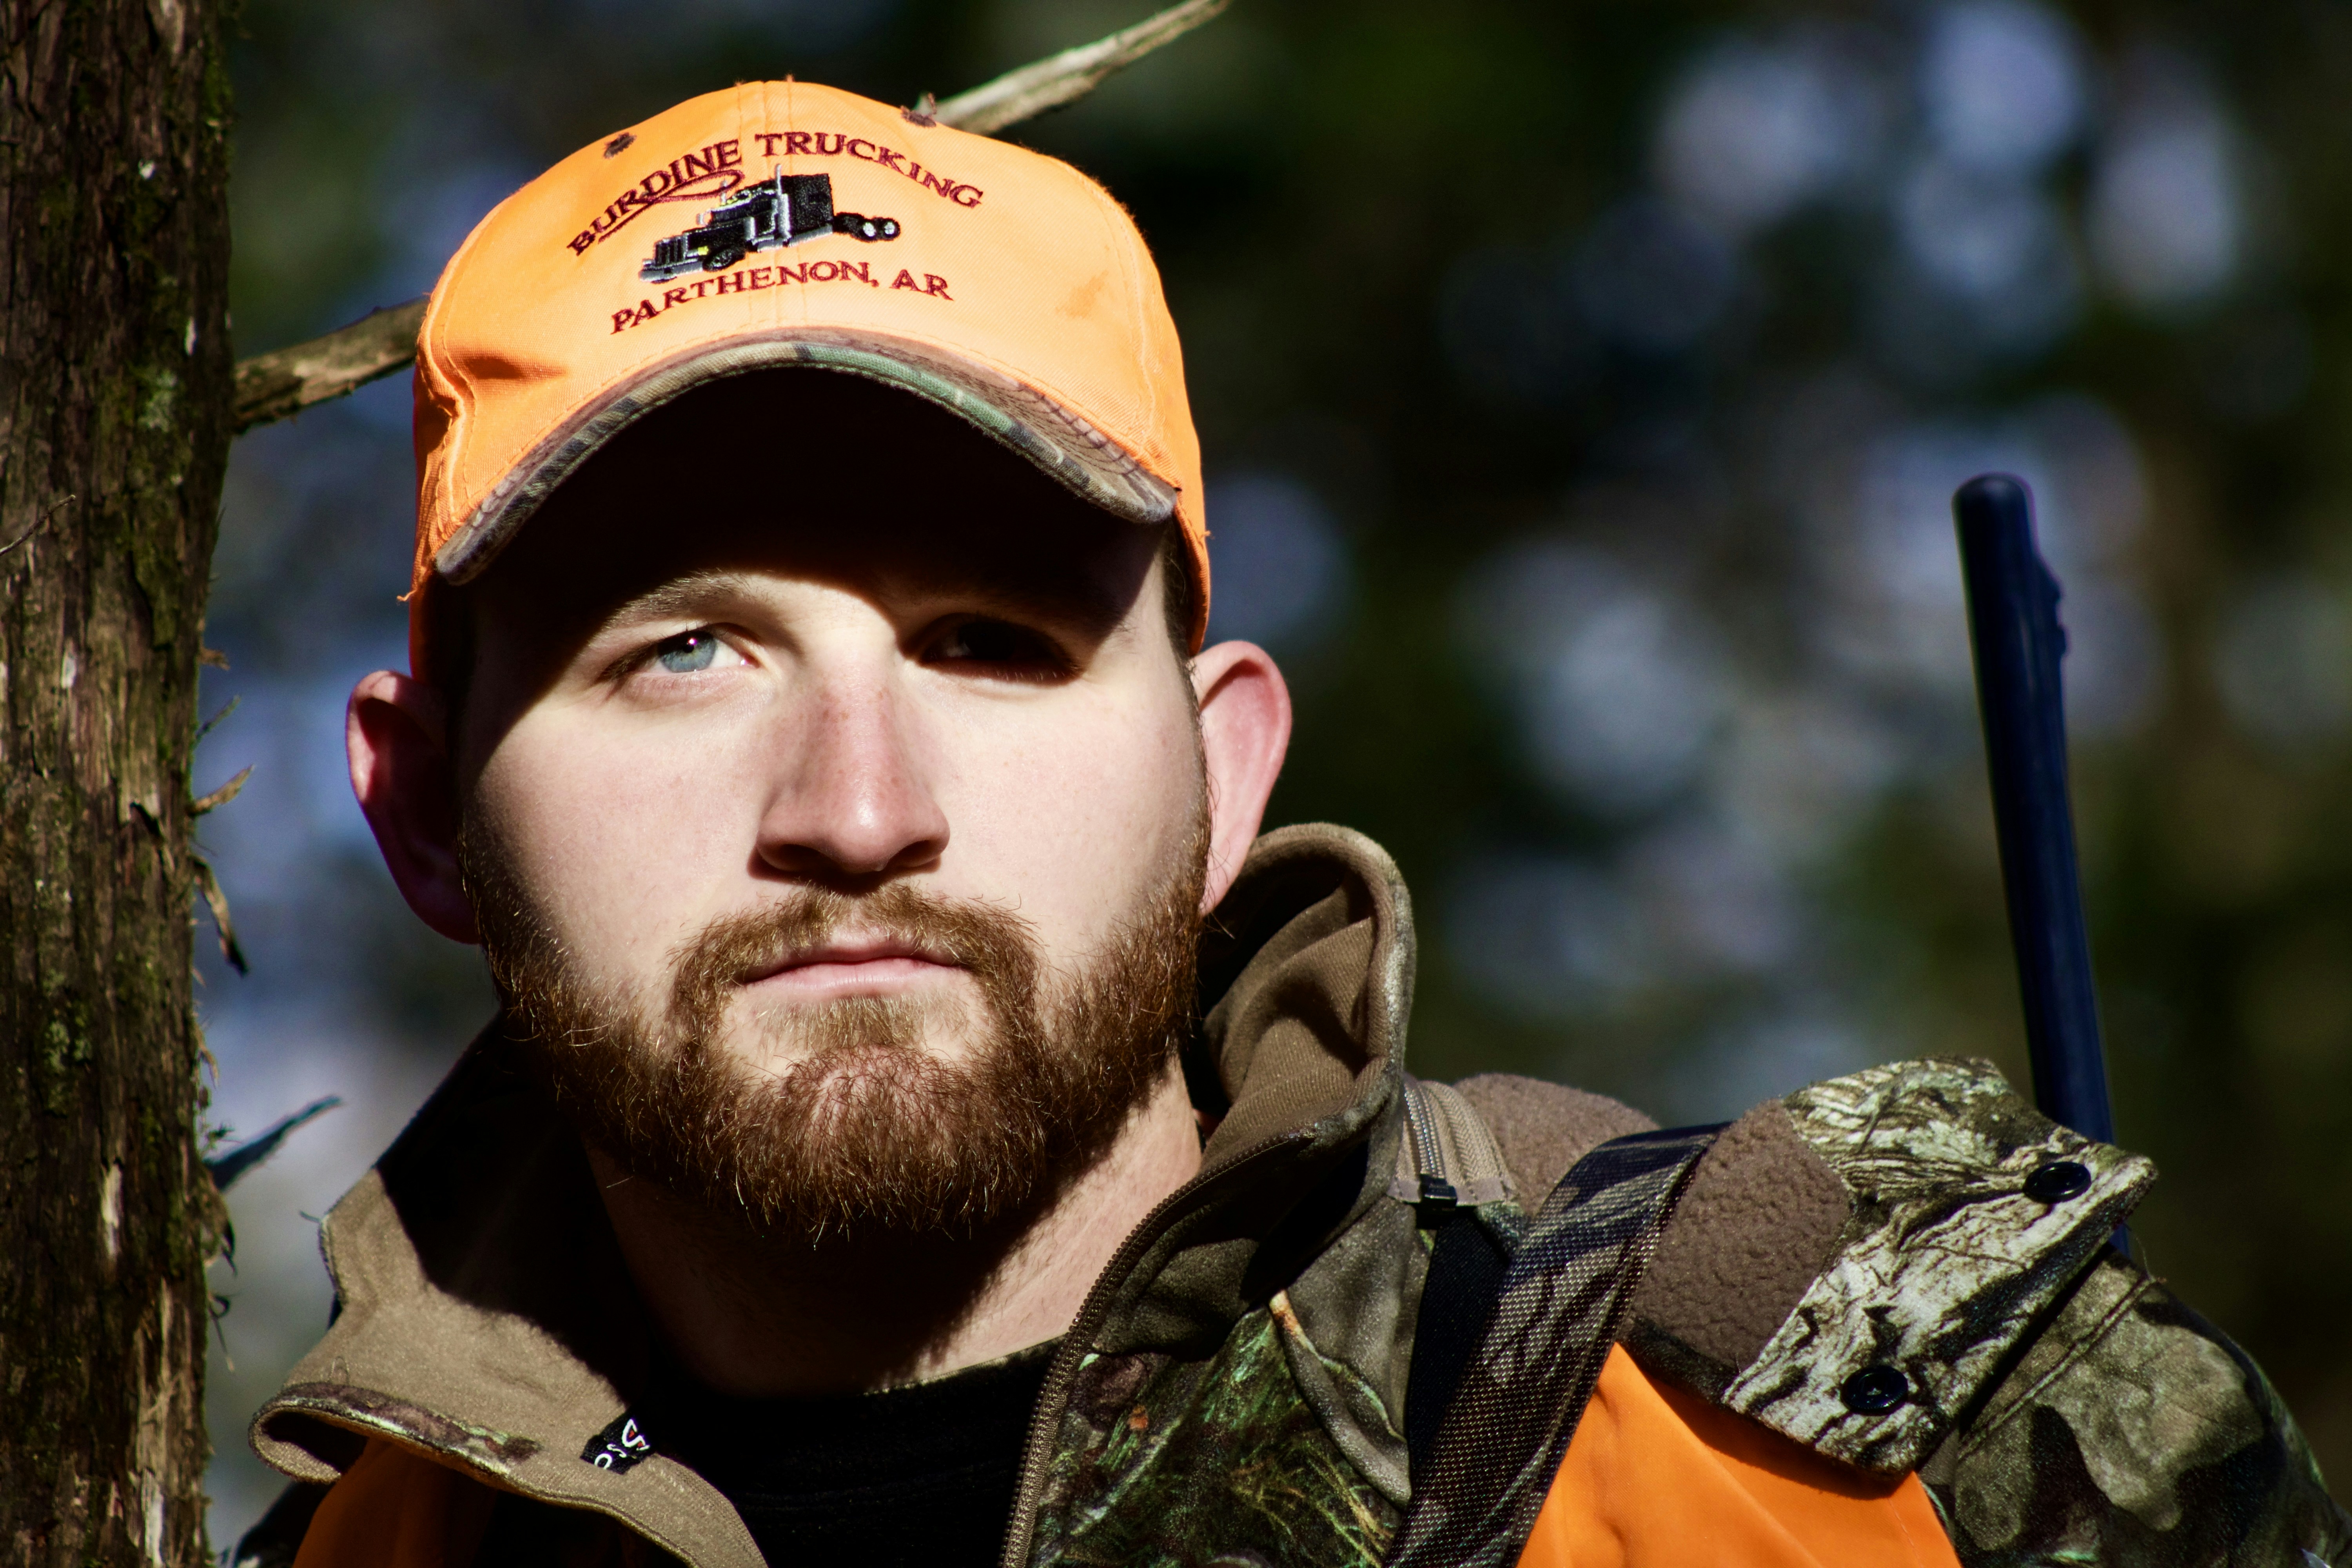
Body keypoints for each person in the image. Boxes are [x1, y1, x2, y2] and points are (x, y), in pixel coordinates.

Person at [240, 80, 2348, 1568]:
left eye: (990, 643)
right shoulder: (347, 1553)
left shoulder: (1865, 1458)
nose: (859, 813)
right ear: (423, 810)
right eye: (687, 654)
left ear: (1225, 776)